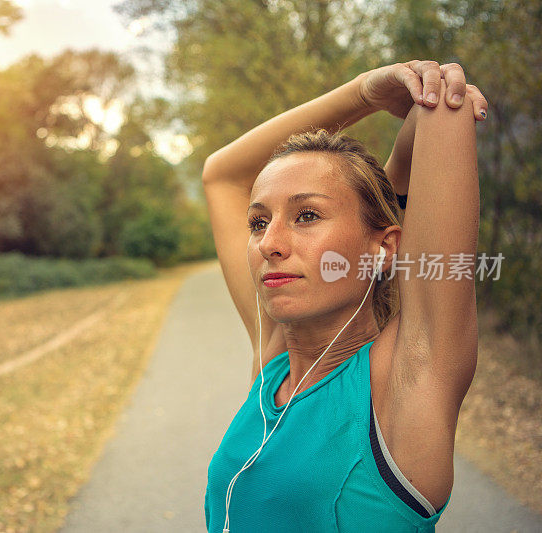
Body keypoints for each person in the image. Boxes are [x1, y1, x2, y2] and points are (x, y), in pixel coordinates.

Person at [201, 60, 489, 532]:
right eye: (258, 222)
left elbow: (443, 111)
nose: (270, 243)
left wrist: (423, 108)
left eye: (307, 215)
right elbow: (221, 175)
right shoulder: (274, 364)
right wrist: (364, 93)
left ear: (385, 248)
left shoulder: (406, 384)